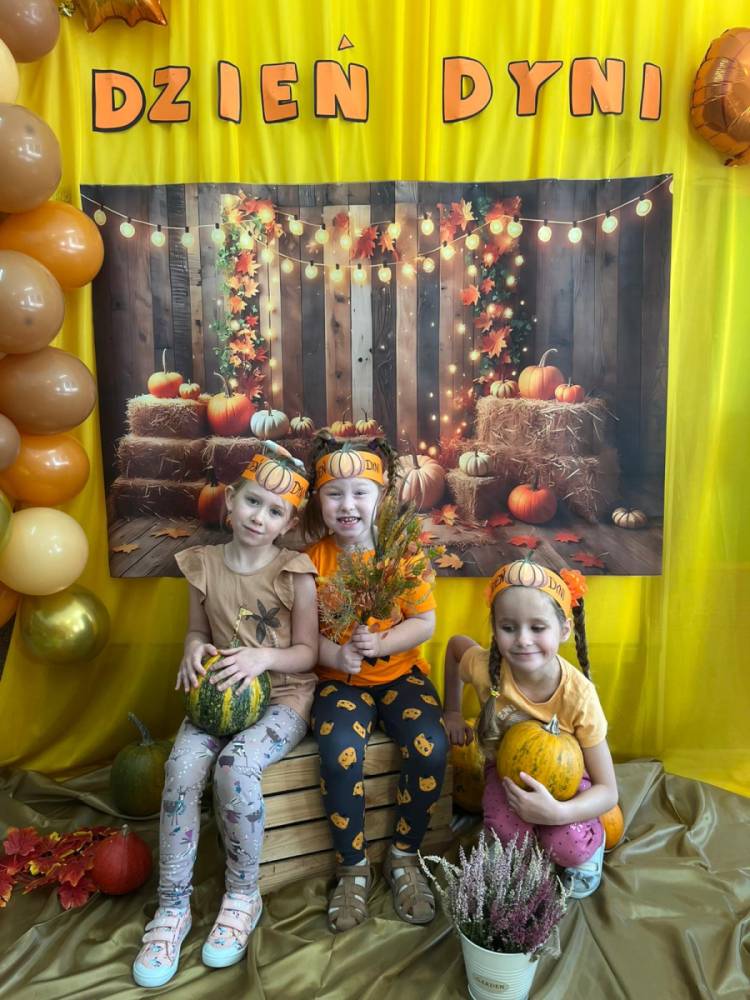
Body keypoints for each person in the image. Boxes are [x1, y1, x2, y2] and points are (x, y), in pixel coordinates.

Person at [133, 446, 318, 988]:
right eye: (253, 502)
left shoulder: (295, 572)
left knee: (235, 768)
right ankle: (173, 905)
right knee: (181, 768)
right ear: (231, 502)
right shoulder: (203, 566)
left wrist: (263, 657)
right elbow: (197, 632)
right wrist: (192, 650)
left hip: (283, 699)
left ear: (288, 524)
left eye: (276, 511)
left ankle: (241, 895)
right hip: (218, 696)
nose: (260, 517)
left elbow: (307, 653)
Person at [303, 432, 448, 932]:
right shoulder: (311, 562)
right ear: (318, 500)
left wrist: (381, 643)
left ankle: (404, 855)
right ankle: (352, 866)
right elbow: (304, 635)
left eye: (360, 492)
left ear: (381, 496)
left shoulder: (402, 554)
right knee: (338, 750)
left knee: (430, 746)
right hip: (339, 681)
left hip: (401, 675)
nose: (347, 505)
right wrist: (337, 654)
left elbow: (424, 623)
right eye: (334, 493)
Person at [443, 560, 618, 898]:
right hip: (506, 774)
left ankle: (589, 849)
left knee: (566, 847)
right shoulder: (485, 668)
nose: (523, 640)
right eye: (509, 627)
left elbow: (608, 791)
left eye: (538, 628)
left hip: (568, 786)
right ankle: (522, 843)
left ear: (564, 629)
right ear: (495, 627)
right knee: (507, 837)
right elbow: (455, 647)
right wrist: (451, 711)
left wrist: (559, 812)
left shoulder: (578, 696)